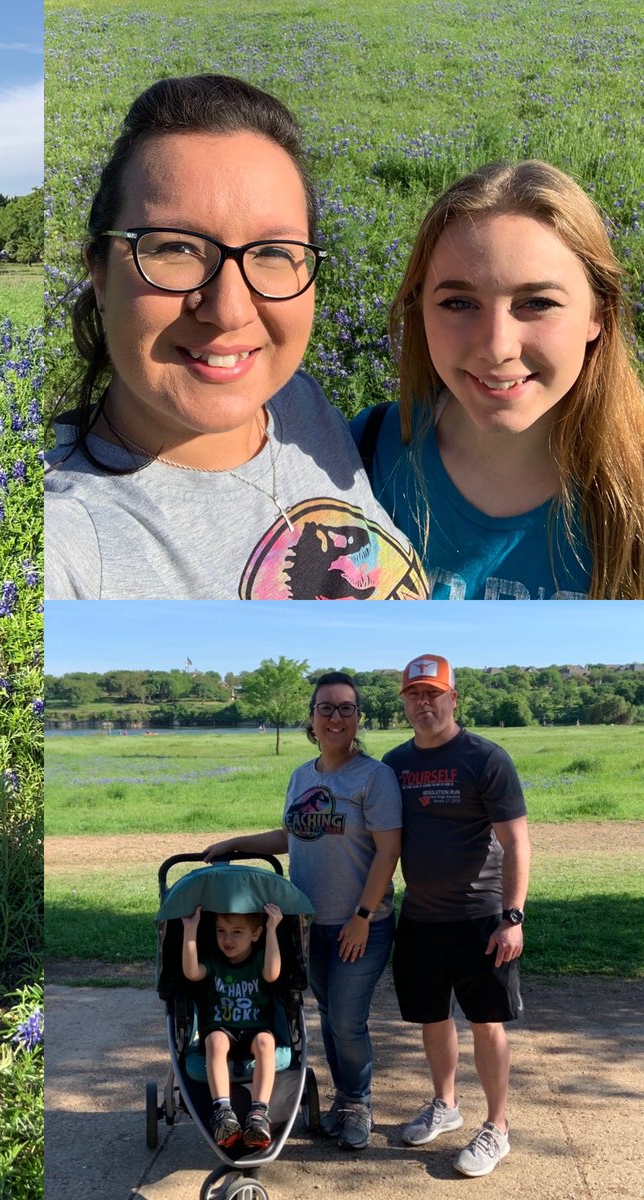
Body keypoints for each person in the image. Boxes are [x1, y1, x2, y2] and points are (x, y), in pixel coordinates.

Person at [43, 73, 427, 600]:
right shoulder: (71, 542)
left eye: (272, 252)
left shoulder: (297, 404)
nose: (228, 311)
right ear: (100, 274)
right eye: (175, 248)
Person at [353, 160, 644, 599]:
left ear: (597, 315)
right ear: (420, 312)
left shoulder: (634, 484)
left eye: (538, 303)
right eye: (457, 303)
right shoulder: (357, 456)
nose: (496, 346)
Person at [204, 672, 401, 1152]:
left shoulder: (375, 777)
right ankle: (343, 1102)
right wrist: (238, 843)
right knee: (330, 1014)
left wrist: (362, 914)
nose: (336, 717)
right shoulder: (301, 776)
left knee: (348, 1020)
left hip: (361, 924)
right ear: (311, 719)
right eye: (326, 708)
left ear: (358, 718)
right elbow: (295, 836)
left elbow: (388, 851)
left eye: (346, 708)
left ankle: (358, 1103)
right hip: (308, 925)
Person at [383, 654, 530, 1178]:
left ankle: (498, 1127)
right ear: (404, 701)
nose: (424, 703)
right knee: (431, 1016)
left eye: (433, 693)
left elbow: (516, 842)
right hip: (420, 918)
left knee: (486, 1023)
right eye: (415, 694)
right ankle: (445, 1104)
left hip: (481, 917)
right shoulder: (394, 764)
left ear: (453, 698)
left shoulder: (485, 758)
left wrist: (512, 916)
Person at [181, 903, 283, 1152]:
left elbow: (272, 974)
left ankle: (258, 1113)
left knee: (266, 1043)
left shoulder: (260, 958)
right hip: (221, 1027)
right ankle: (223, 1112)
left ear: (255, 934)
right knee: (214, 1041)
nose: (227, 939)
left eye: (237, 932)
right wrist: (190, 931)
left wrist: (272, 930)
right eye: (220, 931)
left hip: (254, 1028)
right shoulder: (214, 962)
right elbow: (192, 972)